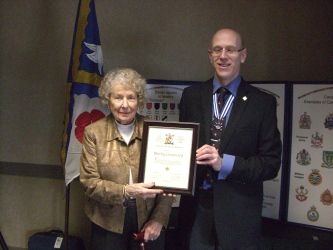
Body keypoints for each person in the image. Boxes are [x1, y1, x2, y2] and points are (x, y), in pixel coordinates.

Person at [178, 28, 282, 250]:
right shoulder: (191, 96)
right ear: (210, 55)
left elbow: (270, 164)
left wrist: (223, 163)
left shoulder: (262, 103)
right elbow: (183, 148)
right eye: (217, 49)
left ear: (242, 55)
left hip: (239, 215)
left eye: (230, 50)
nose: (223, 55)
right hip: (197, 212)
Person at [80, 68, 173, 250]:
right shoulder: (93, 133)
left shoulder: (155, 131)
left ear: (139, 100)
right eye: (118, 97)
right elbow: (89, 182)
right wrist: (126, 191)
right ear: (108, 100)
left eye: (131, 97)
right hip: (106, 221)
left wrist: (159, 220)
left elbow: (168, 182)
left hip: (148, 218)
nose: (125, 105)